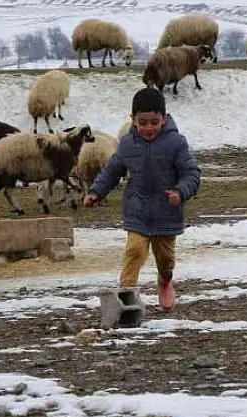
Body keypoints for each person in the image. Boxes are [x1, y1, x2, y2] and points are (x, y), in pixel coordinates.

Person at [83, 87, 201, 311]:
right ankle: (126, 294)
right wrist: (96, 191)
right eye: (143, 122)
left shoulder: (176, 143)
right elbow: (112, 170)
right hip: (137, 209)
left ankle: (165, 280)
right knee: (134, 251)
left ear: (164, 118)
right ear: (133, 119)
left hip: (166, 212)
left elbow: (192, 174)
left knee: (165, 260)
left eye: (154, 122)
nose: (148, 128)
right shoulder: (128, 144)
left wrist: (180, 191)